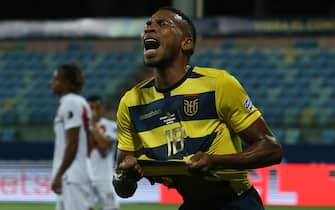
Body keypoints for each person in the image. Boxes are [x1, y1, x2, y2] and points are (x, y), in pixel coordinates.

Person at [113, 6, 283, 210]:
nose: (149, 27)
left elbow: (272, 149)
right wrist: (127, 175)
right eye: (148, 24)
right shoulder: (130, 103)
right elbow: (121, 187)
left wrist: (215, 161)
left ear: (186, 42)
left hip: (237, 203)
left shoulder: (218, 84)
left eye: (162, 23)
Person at [50, 63, 95, 210]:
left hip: (73, 174)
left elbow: (73, 142)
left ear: (67, 83)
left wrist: (60, 173)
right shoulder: (73, 102)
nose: (52, 82)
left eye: (56, 79)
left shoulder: (71, 102)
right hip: (72, 173)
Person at [86, 95, 120, 210]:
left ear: (102, 108)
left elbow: (104, 148)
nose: (93, 111)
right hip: (85, 176)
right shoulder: (80, 127)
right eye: (90, 108)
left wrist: (93, 125)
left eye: (95, 108)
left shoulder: (110, 126)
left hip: (104, 177)